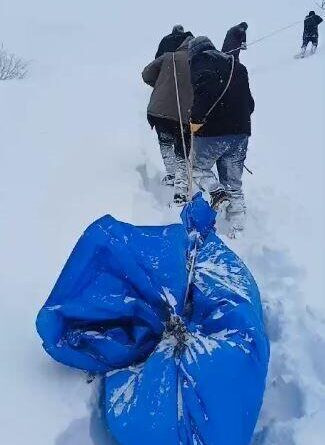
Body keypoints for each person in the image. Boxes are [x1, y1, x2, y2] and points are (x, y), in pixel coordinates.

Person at [189, 36, 255, 233]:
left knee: (199, 169)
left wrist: (196, 119)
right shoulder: (237, 66)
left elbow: (204, 93)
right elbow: (250, 104)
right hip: (241, 132)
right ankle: (238, 228)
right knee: (233, 182)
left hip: (213, 132)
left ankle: (216, 192)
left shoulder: (200, 62)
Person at [142, 35, 194, 205]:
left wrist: (160, 85)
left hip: (160, 111)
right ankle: (180, 189)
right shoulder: (198, 61)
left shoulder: (168, 56)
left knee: (165, 142)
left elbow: (146, 74)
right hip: (183, 115)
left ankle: (171, 174)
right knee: (182, 149)